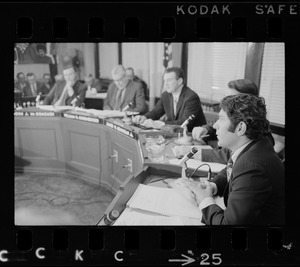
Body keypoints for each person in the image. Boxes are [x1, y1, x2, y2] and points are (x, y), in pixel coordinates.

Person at [187, 94, 284, 225]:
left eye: (221, 120)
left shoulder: (252, 165)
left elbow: (228, 225)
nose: (215, 125)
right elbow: (231, 170)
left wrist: (204, 199)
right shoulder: (255, 145)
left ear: (240, 128)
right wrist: (213, 185)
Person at [192, 79, 275, 164]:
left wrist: (194, 153)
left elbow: (228, 155)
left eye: (232, 98)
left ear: (246, 101)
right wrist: (206, 129)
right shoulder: (233, 116)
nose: (227, 102)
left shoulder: (259, 134)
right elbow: (218, 126)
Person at [133, 67, 206, 132]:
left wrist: (159, 124)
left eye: (169, 80)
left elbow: (184, 123)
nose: (165, 84)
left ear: (180, 81)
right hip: (174, 133)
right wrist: (144, 117)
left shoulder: (191, 97)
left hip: (193, 136)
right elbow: (156, 112)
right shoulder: (166, 95)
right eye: (164, 81)